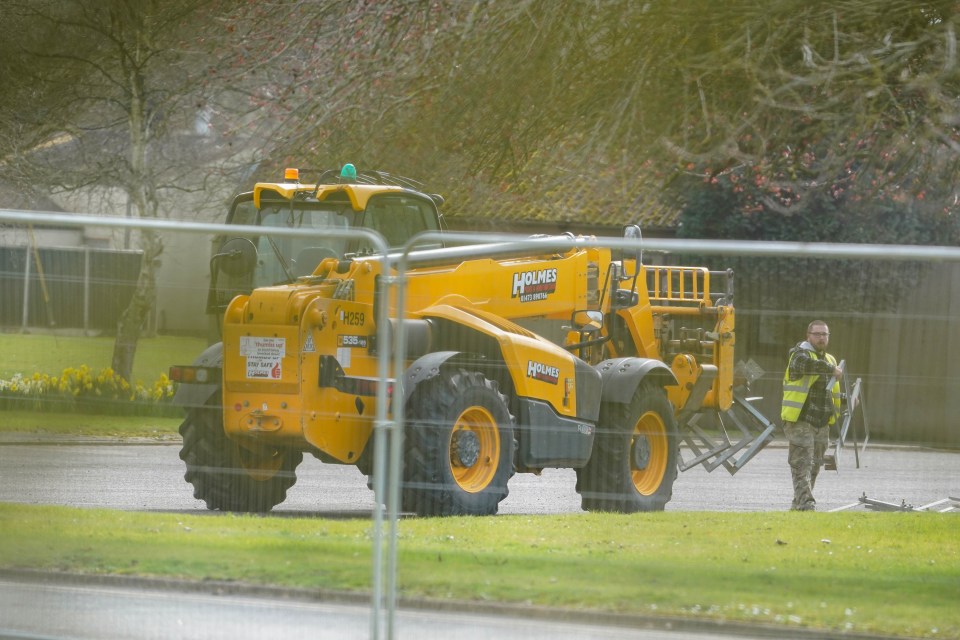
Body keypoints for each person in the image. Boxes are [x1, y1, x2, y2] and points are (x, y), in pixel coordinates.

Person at [781, 320, 842, 511]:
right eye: (817, 334)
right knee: (802, 465)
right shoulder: (799, 354)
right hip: (801, 420)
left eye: (825, 334)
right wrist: (830, 369)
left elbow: (829, 391)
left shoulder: (831, 360)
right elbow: (807, 365)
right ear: (808, 336)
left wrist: (848, 400)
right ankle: (807, 504)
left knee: (815, 467)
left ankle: (798, 503)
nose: (821, 338)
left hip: (822, 422)